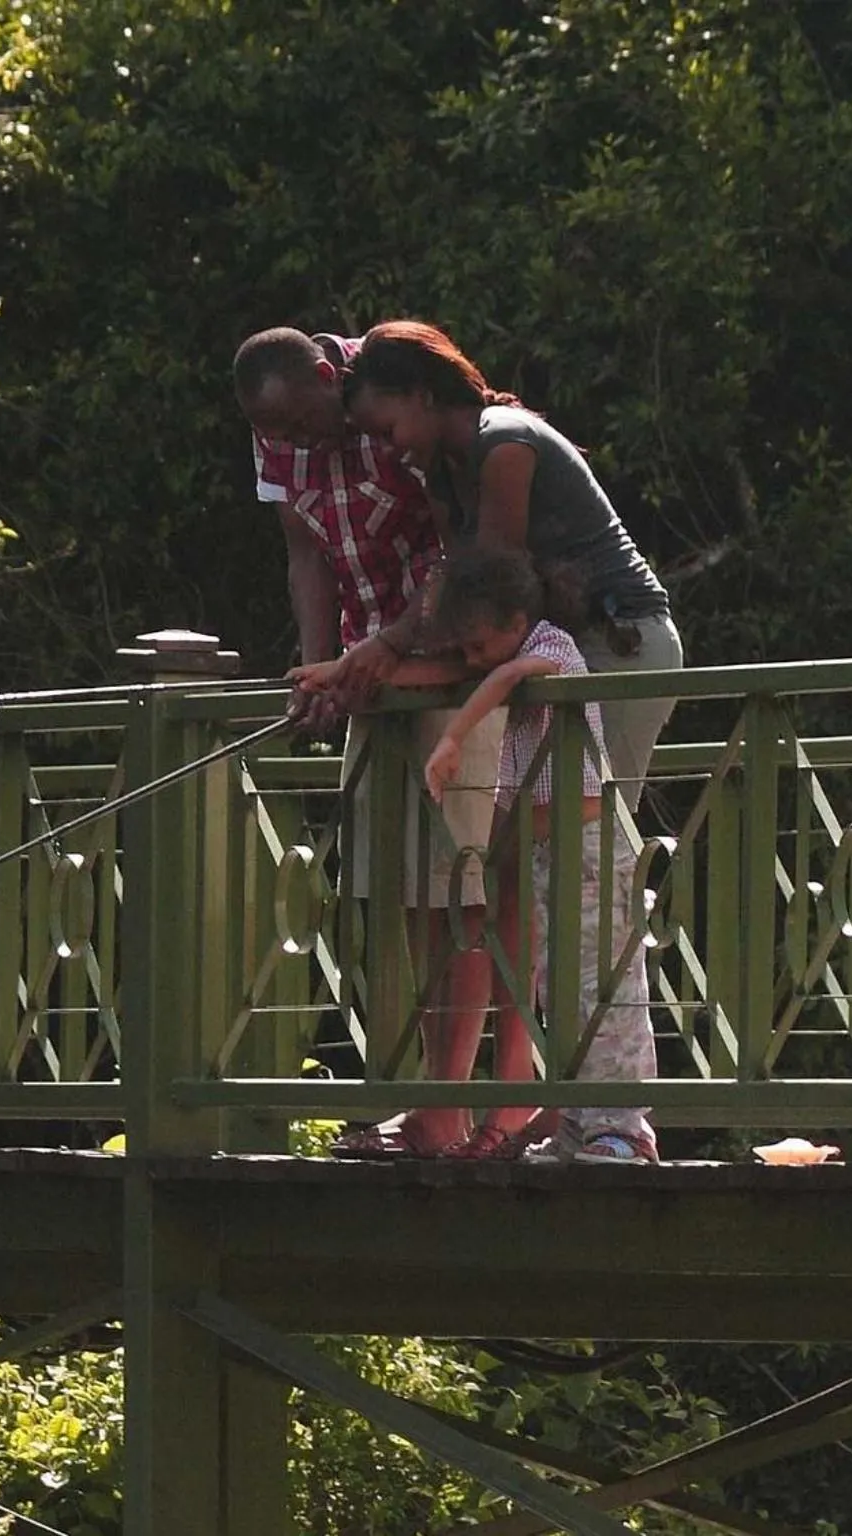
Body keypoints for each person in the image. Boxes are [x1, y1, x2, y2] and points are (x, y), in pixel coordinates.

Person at [234, 326, 506, 1157]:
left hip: (449, 669)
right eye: (275, 436)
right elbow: (304, 555)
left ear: (329, 377)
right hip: (369, 674)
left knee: (458, 890)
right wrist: (317, 668)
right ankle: (429, 1106)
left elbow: (457, 545)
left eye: (303, 426)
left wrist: (393, 641)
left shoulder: (393, 395)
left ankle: (452, 1107)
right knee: (394, 890)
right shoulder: (277, 428)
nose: (294, 445)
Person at [337, 319, 683, 825]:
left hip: (618, 644)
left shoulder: (504, 444)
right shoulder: (441, 473)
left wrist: (394, 651)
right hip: (552, 652)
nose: (388, 451)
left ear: (422, 395)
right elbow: (455, 584)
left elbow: (492, 593)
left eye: (386, 431)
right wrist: (381, 651)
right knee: (536, 847)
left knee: (592, 840)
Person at [418, 544, 659, 1162]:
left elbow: (505, 677)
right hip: (550, 854)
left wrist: (453, 736)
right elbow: (516, 781)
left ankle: (624, 1127)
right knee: (556, 989)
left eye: (476, 645)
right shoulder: (519, 674)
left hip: (593, 852)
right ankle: (579, 1123)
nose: (472, 661)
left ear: (515, 624)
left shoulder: (552, 650)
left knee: (604, 985)